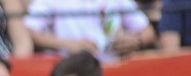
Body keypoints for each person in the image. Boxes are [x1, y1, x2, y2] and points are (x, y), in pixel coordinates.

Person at [22, 0, 157, 58]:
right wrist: (69, 45)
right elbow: (28, 30)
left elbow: (148, 32)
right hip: (71, 71)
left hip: (114, 69)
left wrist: (135, 41)